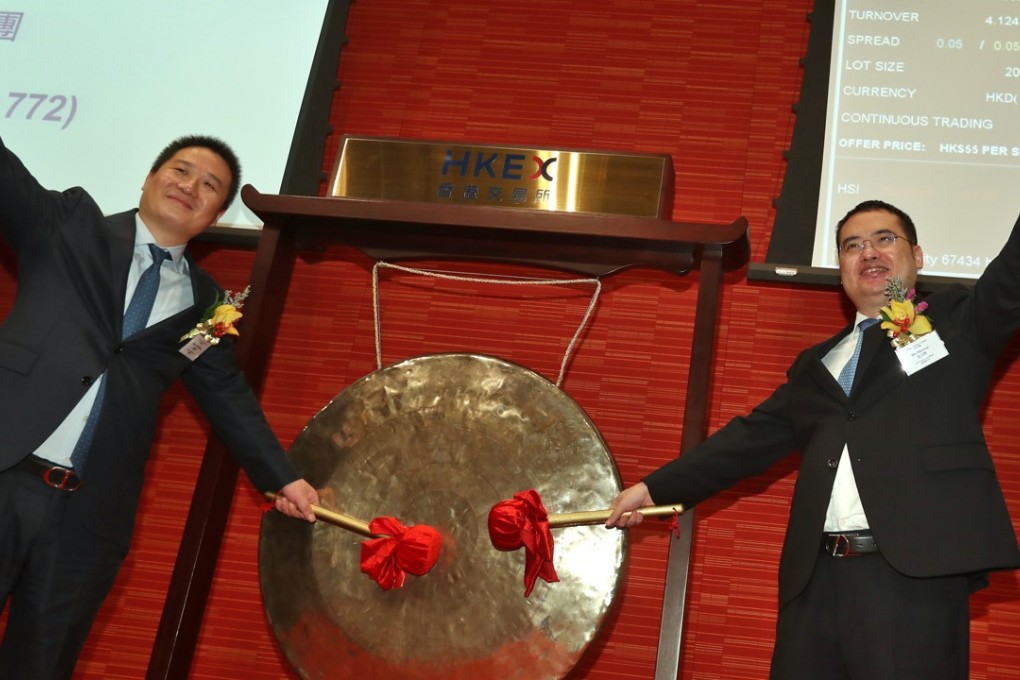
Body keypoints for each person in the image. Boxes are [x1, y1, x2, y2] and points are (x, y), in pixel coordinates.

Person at [606, 199, 1020, 679]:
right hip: (814, 583)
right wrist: (655, 489)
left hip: (912, 578)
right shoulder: (815, 365)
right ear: (841, 267)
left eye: (885, 239)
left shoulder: (960, 323)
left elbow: (1012, 275)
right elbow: (747, 440)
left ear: (918, 255)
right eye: (852, 245)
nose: (869, 252)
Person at [0, 133, 320, 679]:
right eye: (180, 170)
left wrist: (283, 479)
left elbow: (230, 400)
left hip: (88, 517)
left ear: (217, 214)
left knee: (40, 665)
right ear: (149, 180)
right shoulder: (70, 225)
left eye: (209, 185)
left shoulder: (208, 305)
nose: (190, 186)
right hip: (7, 472)